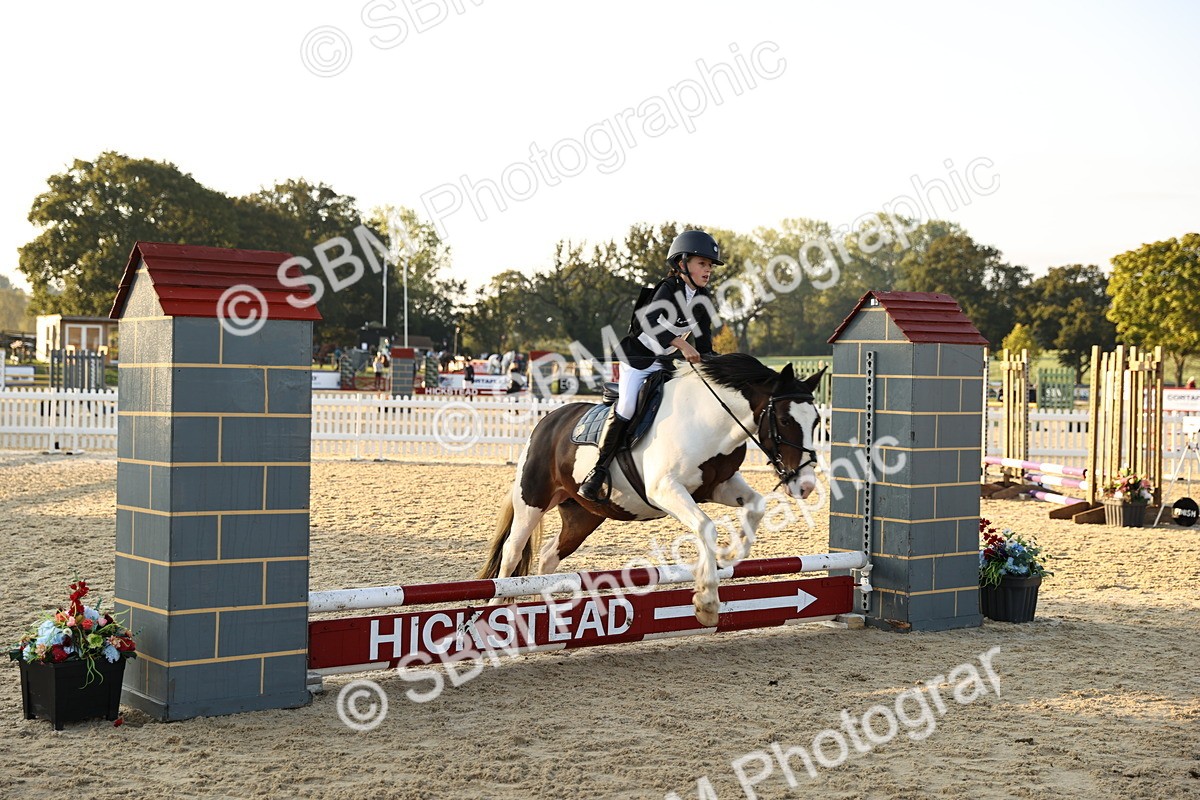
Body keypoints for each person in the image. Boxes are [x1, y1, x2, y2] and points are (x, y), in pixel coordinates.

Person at [578, 229, 723, 502]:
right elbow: (651, 323)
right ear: (682, 264)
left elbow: (703, 345)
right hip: (638, 361)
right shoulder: (667, 289)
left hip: (664, 364)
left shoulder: (703, 299)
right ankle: (597, 471)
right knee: (627, 407)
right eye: (702, 263)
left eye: (710, 265)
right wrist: (682, 345)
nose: (708, 270)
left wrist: (720, 366)